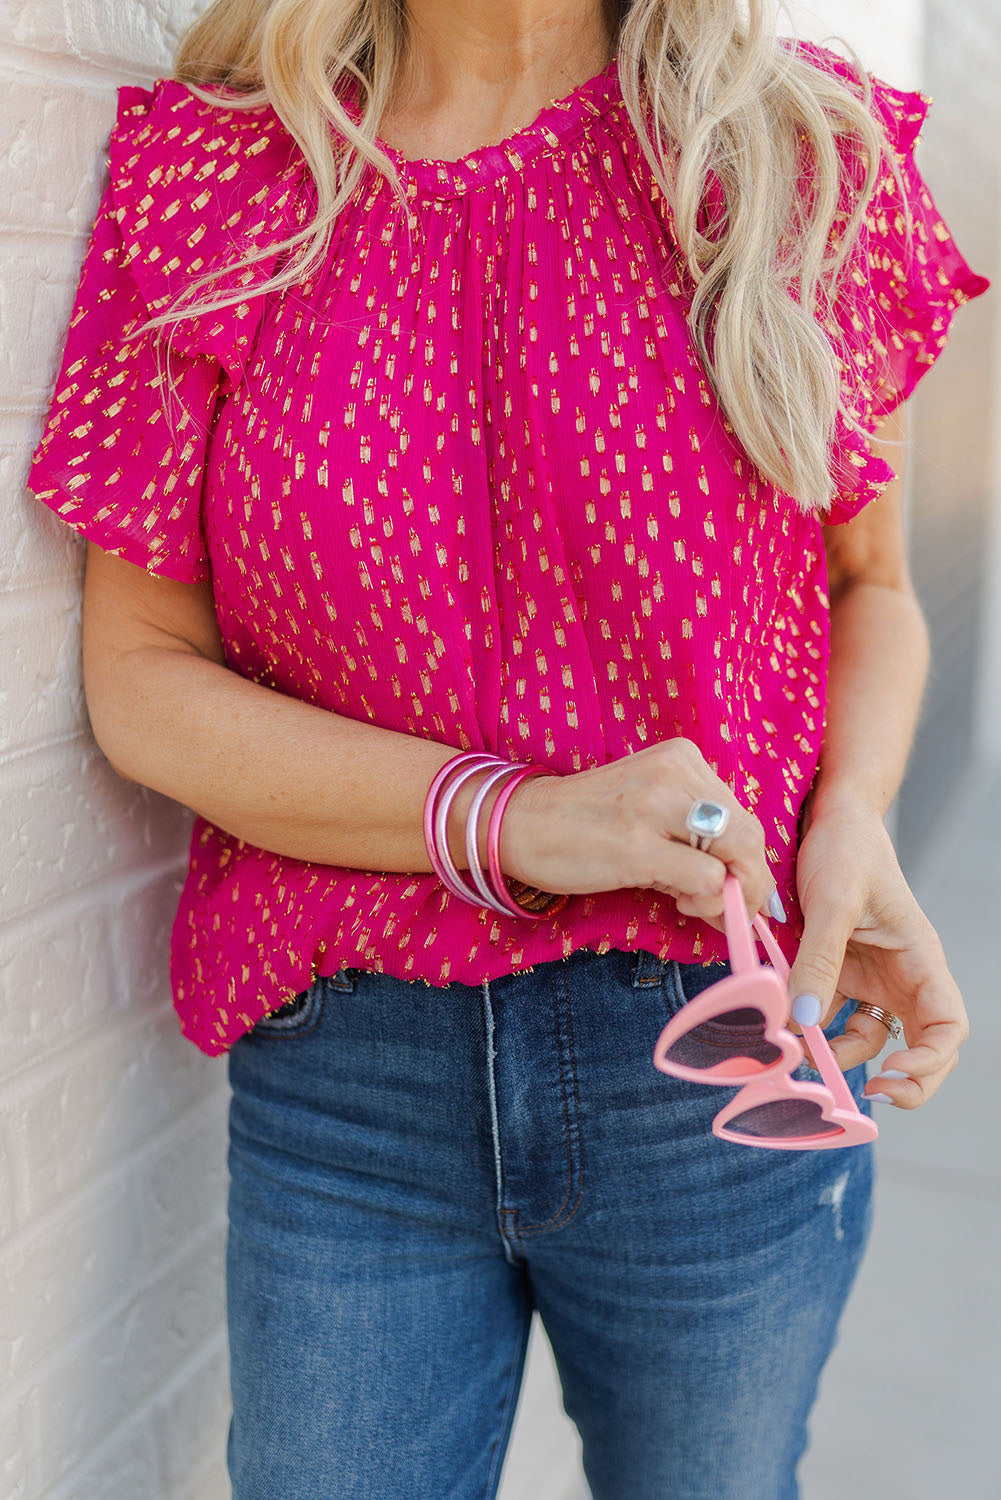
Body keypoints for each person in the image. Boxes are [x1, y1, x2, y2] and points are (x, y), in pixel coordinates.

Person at [25, 0, 986, 1495]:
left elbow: (872, 591)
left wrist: (848, 816)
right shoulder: (217, 170)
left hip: (719, 1055)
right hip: (347, 1081)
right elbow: (142, 682)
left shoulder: (803, 152)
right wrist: (516, 818)